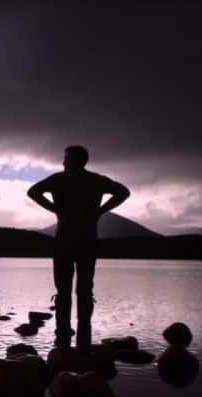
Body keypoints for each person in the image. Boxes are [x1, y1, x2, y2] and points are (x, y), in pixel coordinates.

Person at [27, 146, 130, 350]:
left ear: (73, 160)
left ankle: (63, 332)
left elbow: (33, 192)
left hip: (64, 238)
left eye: (65, 158)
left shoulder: (58, 179)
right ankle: (84, 332)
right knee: (85, 287)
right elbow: (123, 192)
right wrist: (100, 211)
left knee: (63, 288)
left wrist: (55, 209)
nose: (63, 162)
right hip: (88, 238)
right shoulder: (96, 179)